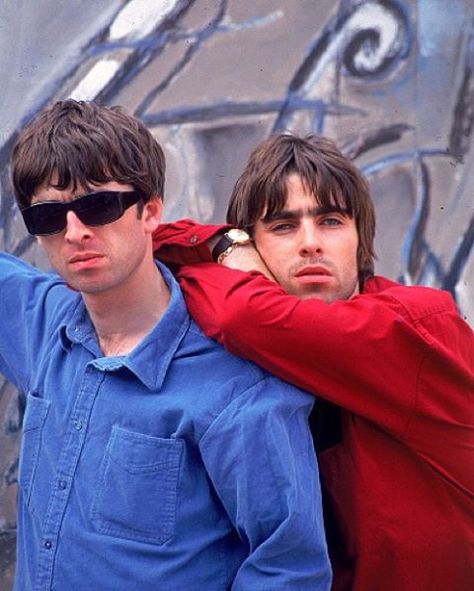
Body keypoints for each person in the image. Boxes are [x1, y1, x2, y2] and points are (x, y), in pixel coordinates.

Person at [1, 102, 332, 590]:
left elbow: (290, 568)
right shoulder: (43, 325)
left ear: (151, 210)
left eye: (99, 206)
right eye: (49, 216)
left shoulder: (236, 388)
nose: (74, 232)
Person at [152, 133, 474, 591]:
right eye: (283, 226)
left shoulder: (419, 325)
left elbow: (241, 314)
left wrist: (224, 245)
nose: (310, 244)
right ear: (256, 250)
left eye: (331, 221)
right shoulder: (258, 361)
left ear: (360, 237)